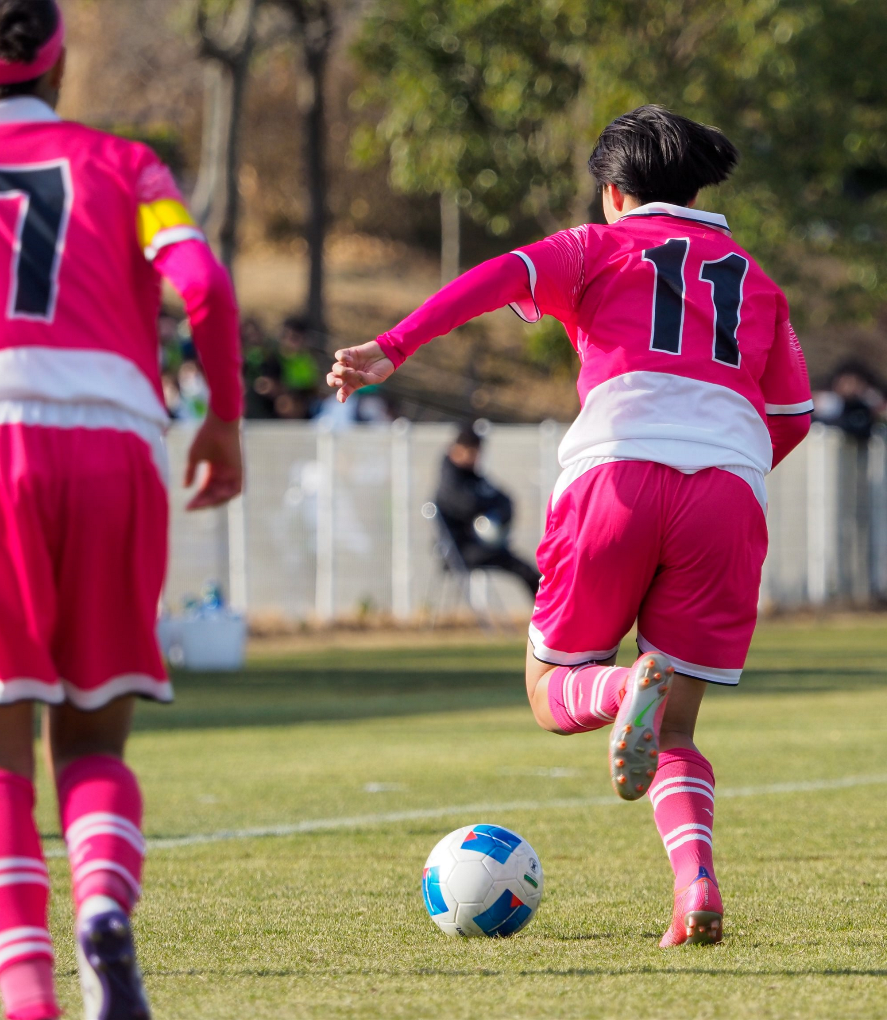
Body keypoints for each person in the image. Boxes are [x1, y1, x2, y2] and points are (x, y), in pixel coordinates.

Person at [329, 104, 813, 947]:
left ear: (613, 193)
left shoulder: (595, 247)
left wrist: (392, 346)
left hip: (616, 475)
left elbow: (496, 276)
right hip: (728, 495)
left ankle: (622, 690)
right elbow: (795, 415)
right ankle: (695, 885)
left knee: (551, 694)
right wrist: (723, 472)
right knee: (678, 729)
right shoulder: (757, 280)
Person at [0, 2, 244, 1017]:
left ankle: (26, 988)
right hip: (113, 442)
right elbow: (204, 284)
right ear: (57, 66)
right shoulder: (127, 165)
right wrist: (222, 420)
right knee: (93, 741)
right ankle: (102, 909)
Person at [433, 426, 541, 595]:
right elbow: (467, 504)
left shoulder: (471, 476)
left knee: (527, 570)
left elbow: (503, 498)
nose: (476, 459)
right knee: (524, 570)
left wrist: (498, 509)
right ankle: (546, 609)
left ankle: (544, 607)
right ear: (459, 450)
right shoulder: (450, 481)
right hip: (460, 548)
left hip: (476, 546)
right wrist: (489, 504)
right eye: (472, 453)